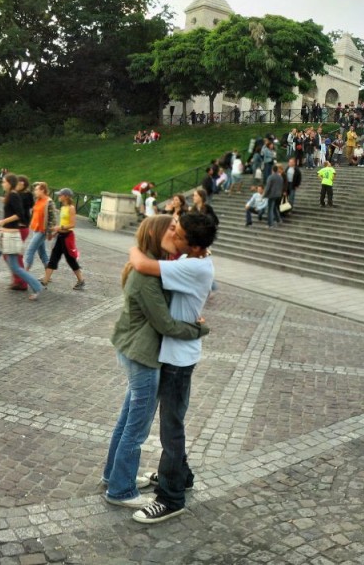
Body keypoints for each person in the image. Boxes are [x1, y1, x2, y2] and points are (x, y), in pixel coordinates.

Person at [102, 216, 207, 509]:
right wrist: (199, 329)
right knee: (137, 426)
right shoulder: (146, 275)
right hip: (143, 356)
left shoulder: (150, 263)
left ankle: (114, 476)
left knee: (127, 419)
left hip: (136, 351)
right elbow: (166, 325)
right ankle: (120, 490)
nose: (177, 232)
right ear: (157, 233)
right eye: (171, 228)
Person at [128, 211, 217, 524]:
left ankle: (170, 497)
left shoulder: (190, 266)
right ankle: (182, 475)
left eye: (177, 232)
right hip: (178, 353)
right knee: (173, 421)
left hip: (178, 359)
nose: (172, 233)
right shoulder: (199, 258)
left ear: (192, 246)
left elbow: (141, 264)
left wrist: (136, 244)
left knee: (171, 427)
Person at [0, 173, 45, 300]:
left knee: (15, 267)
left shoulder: (14, 196)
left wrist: (4, 222)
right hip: (3, 234)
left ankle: (37, 287)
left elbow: (20, 214)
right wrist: (4, 225)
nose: (2, 183)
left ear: (9, 183)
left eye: (4, 182)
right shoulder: (10, 195)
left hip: (11, 236)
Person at [41, 188, 86, 290]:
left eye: (60, 195)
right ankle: (45, 281)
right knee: (53, 258)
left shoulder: (71, 208)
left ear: (66, 196)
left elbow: (72, 224)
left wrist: (59, 228)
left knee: (71, 260)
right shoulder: (63, 207)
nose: (59, 196)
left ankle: (81, 280)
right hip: (60, 236)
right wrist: (55, 233)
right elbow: (62, 223)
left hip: (67, 237)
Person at [24, 181, 55, 273]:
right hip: (35, 229)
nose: (34, 191)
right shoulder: (37, 199)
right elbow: (31, 187)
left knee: (30, 250)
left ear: (43, 190)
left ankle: (24, 273)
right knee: (42, 253)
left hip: (42, 230)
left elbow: (53, 219)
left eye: (37, 190)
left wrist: (49, 233)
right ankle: (48, 273)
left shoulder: (49, 202)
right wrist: (38, 183)